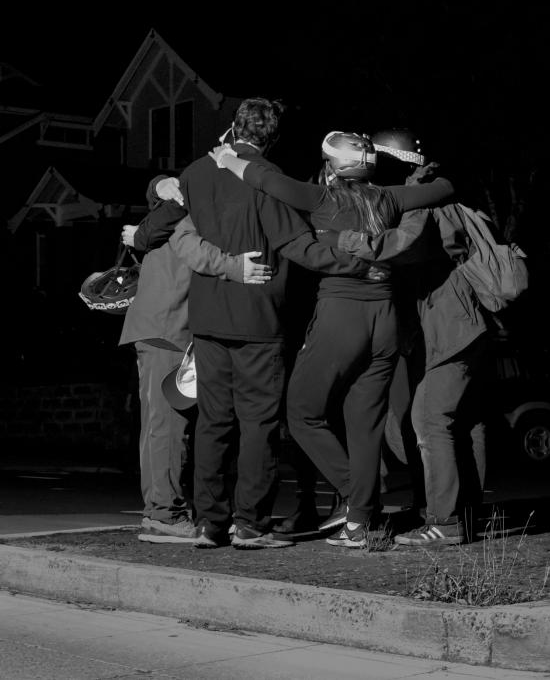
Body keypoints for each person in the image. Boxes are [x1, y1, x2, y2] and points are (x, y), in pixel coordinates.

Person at [210, 127, 455, 548]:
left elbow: (266, 181)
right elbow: (446, 187)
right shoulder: (390, 198)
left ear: (330, 166)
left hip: (342, 316)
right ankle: (358, 525)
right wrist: (418, 179)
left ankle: (360, 500)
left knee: (302, 413)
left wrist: (228, 160)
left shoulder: (322, 198)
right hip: (387, 319)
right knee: (366, 425)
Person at [177, 98, 379, 550]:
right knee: (258, 424)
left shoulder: (193, 174)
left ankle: (210, 523)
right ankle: (250, 523)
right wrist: (357, 262)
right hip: (260, 316)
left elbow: (176, 231)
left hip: (207, 314)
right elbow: (298, 245)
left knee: (212, 422)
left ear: (234, 127)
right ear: (274, 138)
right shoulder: (268, 183)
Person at [337, 128, 491, 545]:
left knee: (429, 419)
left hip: (451, 325)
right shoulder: (431, 191)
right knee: (465, 421)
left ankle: (444, 521)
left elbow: (402, 246)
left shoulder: (420, 199)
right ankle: (465, 513)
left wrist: (348, 239)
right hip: (462, 323)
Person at [119, 178, 272, 543]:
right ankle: (162, 514)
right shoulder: (183, 211)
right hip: (164, 328)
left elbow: (158, 190)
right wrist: (237, 268)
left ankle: (172, 510)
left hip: (175, 329)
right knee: (166, 426)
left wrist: (157, 186)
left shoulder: (186, 206)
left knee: (178, 425)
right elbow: (196, 251)